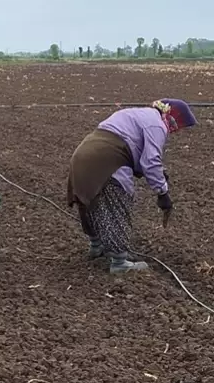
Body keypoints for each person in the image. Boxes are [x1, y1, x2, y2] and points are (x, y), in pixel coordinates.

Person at [66, 99, 197, 274]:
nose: (176, 131)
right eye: (179, 126)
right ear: (174, 118)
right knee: (117, 203)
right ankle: (119, 262)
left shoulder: (138, 114)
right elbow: (150, 162)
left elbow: (134, 149)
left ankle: (96, 246)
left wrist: (156, 173)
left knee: (91, 202)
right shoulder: (158, 125)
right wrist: (162, 193)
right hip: (107, 160)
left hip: (83, 156)